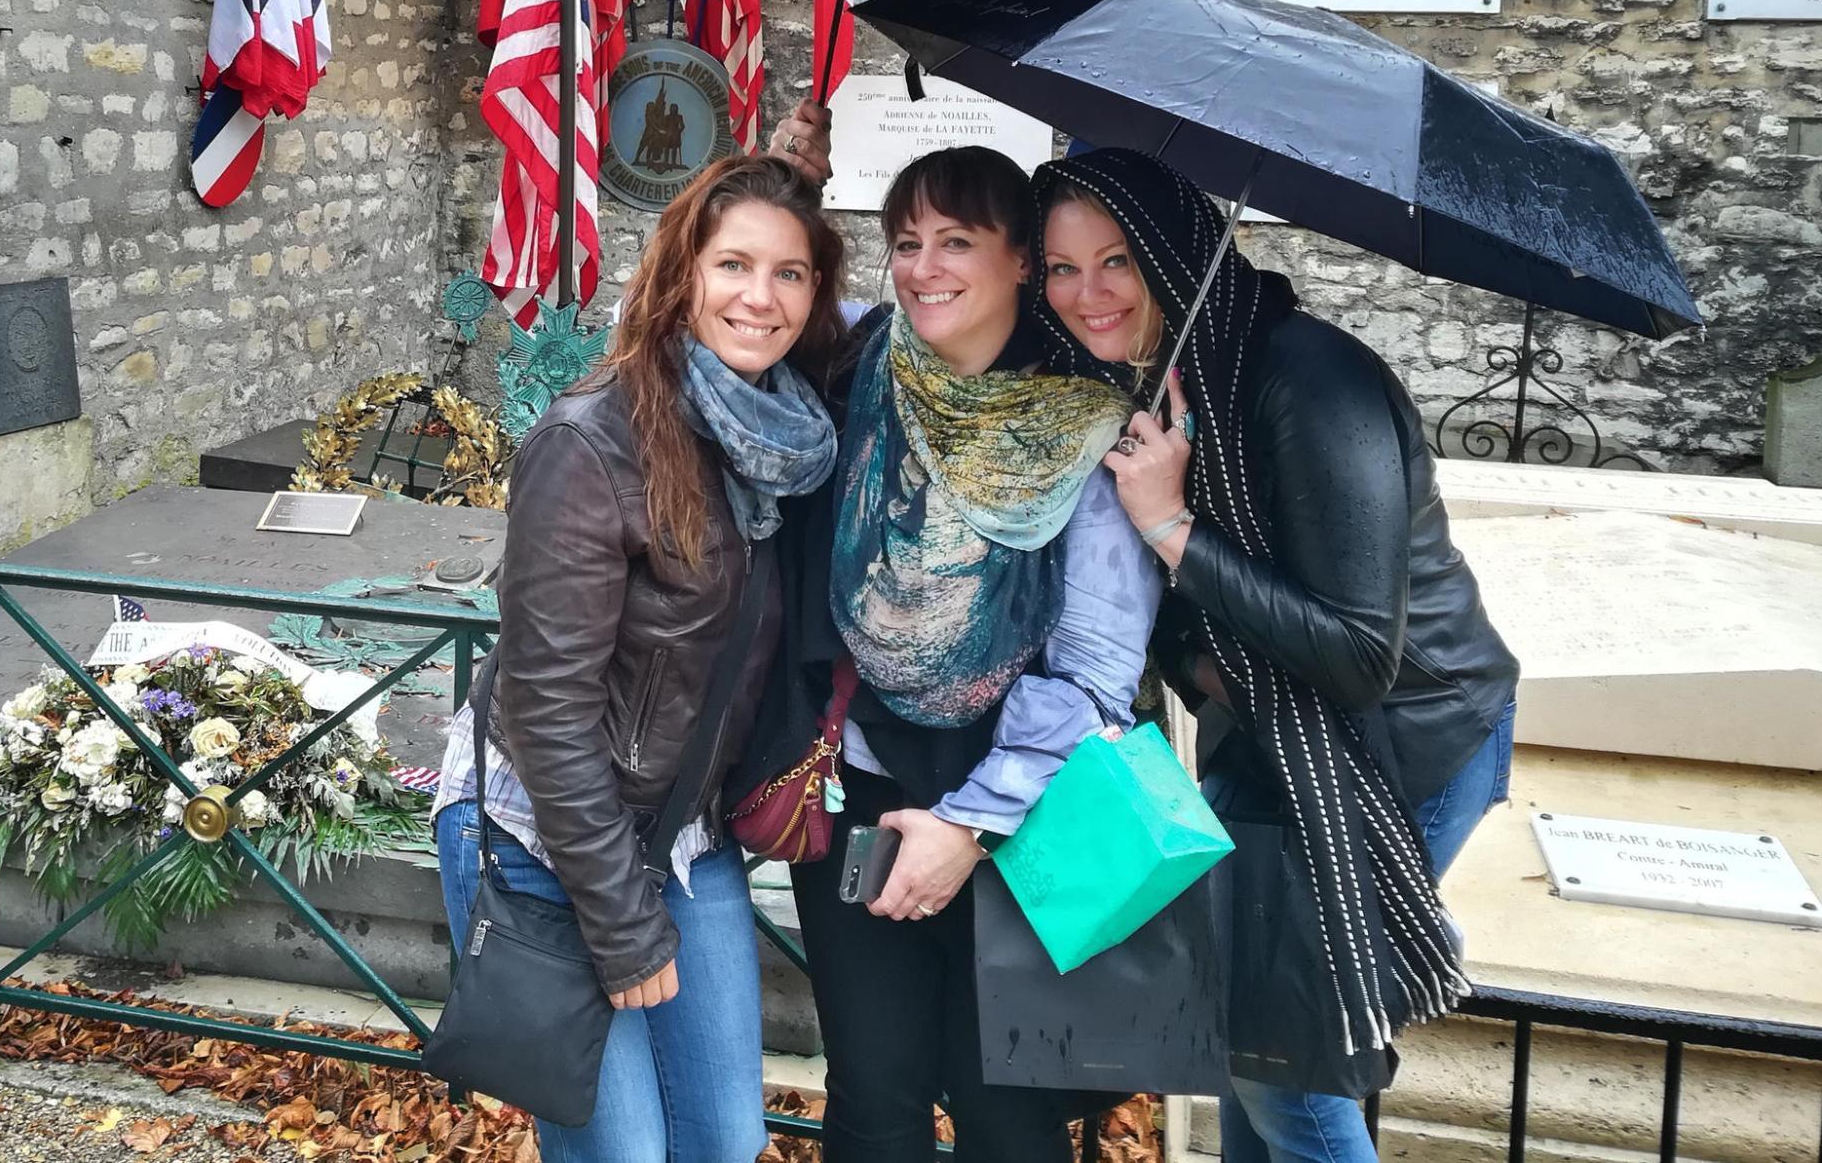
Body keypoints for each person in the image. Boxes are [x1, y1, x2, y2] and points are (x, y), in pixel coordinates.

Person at [1030, 147, 1519, 1163]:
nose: (1087, 295)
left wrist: (1170, 530)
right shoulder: (1171, 380)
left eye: (1116, 260)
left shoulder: (1311, 384)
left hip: (1400, 743)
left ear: (1175, 250)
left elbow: (1355, 655)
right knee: (1256, 1037)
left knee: (1283, 1061)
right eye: (1061, 267)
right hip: (1272, 739)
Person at [739, 138, 1162, 1163]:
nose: (923, 266)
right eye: (906, 241)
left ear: (1021, 260)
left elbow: (1097, 676)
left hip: (1023, 823)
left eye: (957, 241)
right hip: (860, 798)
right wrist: (776, 181)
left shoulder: (1087, 430)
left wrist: (969, 827)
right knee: (873, 1098)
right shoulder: (854, 363)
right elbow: (724, 307)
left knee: (1007, 1110)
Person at [432, 154, 845, 1163]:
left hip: (685, 834)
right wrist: (620, 924)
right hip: (547, 833)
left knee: (725, 1137)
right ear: (680, 274)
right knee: (623, 1153)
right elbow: (546, 710)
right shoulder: (593, 442)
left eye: (790, 272)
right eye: (733, 264)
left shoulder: (783, 435)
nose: (760, 296)